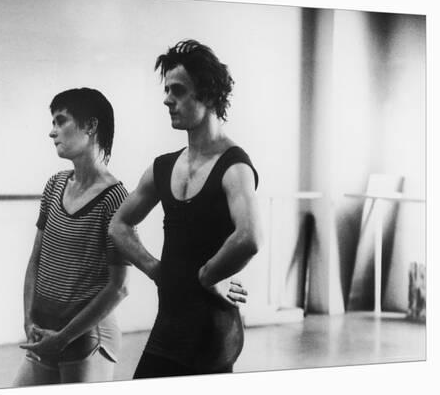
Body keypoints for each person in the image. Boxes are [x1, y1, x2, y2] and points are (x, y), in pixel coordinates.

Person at [109, 39, 260, 378]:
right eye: (167, 90)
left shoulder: (234, 166)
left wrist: (209, 275)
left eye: (177, 91)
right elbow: (119, 225)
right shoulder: (163, 168)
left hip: (213, 331)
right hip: (171, 323)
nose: (167, 100)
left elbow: (249, 237)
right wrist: (155, 269)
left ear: (205, 94)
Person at [13, 88, 130, 386]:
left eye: (60, 121)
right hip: (45, 333)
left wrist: (64, 338)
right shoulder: (54, 185)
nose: (51, 132)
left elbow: (119, 287)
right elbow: (36, 260)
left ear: (90, 126)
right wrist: (29, 320)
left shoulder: (115, 198)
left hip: (87, 339)